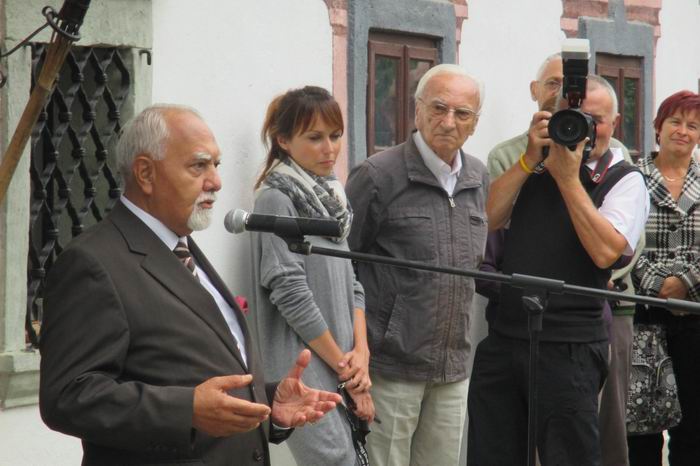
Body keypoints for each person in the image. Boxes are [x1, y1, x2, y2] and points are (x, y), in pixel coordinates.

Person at [38, 104, 342, 466]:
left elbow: (192, 373)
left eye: (216, 165)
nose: (216, 181)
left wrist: (266, 402)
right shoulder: (93, 262)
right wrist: (186, 410)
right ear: (146, 173)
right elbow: (67, 397)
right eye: (199, 166)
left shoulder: (183, 248)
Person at [468, 75, 649, 465]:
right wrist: (528, 161)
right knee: (490, 454)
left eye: (595, 120)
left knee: (569, 457)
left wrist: (567, 178)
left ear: (615, 124)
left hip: (571, 347)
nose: (584, 128)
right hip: (505, 337)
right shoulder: (531, 165)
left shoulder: (625, 179)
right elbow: (486, 221)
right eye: (573, 117)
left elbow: (605, 253)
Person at [345, 64, 489, 466]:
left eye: (462, 113)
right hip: (390, 367)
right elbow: (344, 268)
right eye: (439, 108)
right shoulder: (377, 175)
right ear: (417, 110)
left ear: (475, 123)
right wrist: (357, 353)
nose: (449, 121)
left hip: (452, 369)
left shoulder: (478, 176)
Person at [250, 86, 374, 466]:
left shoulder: (333, 199)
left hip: (342, 363)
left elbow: (353, 283)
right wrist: (346, 370)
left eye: (335, 136)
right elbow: (290, 293)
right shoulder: (277, 199)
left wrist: (362, 354)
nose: (329, 148)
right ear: (284, 141)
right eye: (315, 137)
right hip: (303, 371)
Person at [629, 90, 700, 466]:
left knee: (694, 427)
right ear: (658, 127)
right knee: (642, 427)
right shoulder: (632, 176)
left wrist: (685, 282)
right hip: (643, 316)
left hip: (695, 313)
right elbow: (622, 240)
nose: (683, 131)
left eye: (693, 125)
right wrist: (660, 286)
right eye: (675, 122)